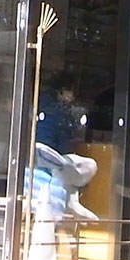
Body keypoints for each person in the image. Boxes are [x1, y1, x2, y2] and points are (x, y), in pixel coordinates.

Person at [34, 75, 97, 220]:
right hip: (50, 156)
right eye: (71, 92)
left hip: (41, 157)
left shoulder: (45, 108)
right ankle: (70, 203)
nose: (72, 97)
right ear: (61, 92)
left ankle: (71, 202)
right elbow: (59, 139)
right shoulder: (59, 111)